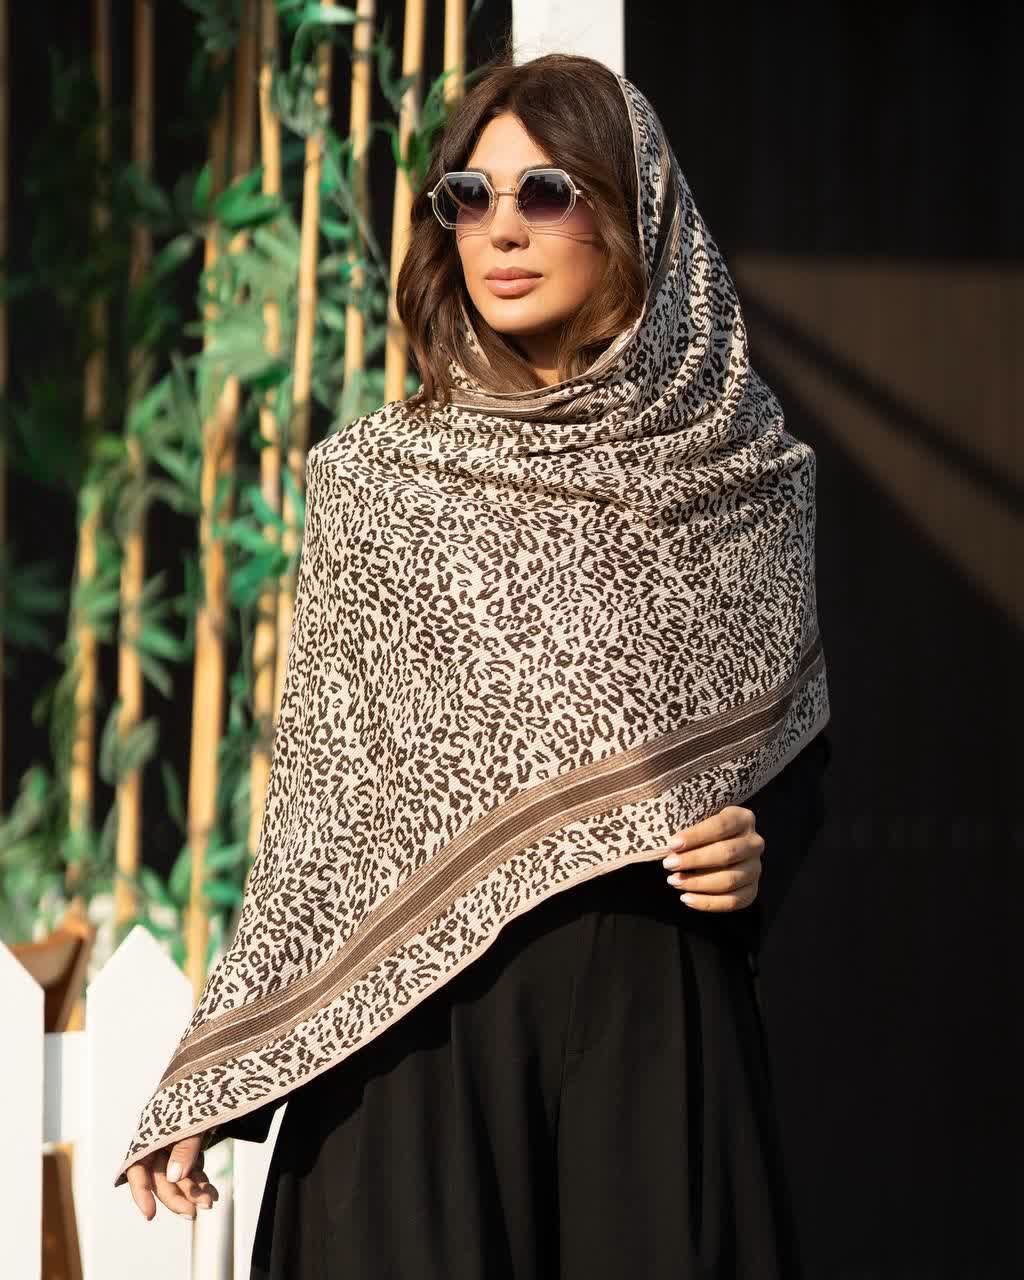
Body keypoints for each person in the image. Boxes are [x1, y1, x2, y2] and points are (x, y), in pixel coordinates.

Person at [120, 50, 831, 1280]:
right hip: (419, 1057)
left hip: (648, 1039)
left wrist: (757, 842)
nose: (500, 229)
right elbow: (324, 820)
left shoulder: (743, 476)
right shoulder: (378, 484)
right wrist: (229, 1062)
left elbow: (791, 758)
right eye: (469, 196)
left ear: (637, 216)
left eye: (546, 192)